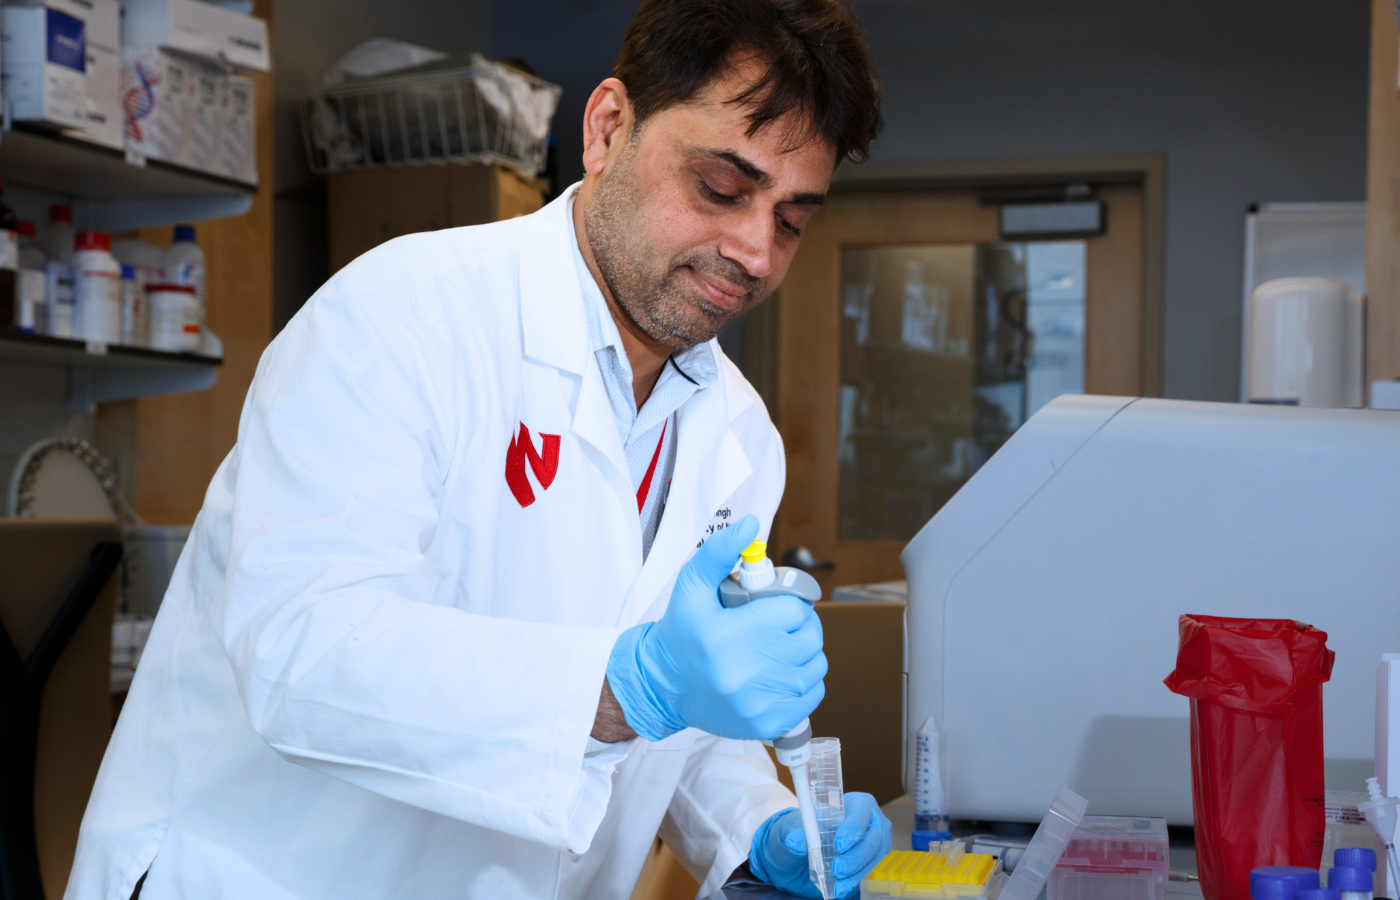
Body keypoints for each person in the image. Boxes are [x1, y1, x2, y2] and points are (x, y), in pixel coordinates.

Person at [63, 1, 890, 898]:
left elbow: (682, 721)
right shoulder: (399, 317)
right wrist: (625, 687)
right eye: (722, 190)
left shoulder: (740, 437)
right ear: (609, 128)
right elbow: (303, 653)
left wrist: (759, 823)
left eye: (793, 219)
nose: (755, 252)